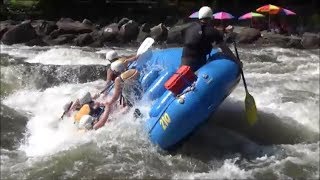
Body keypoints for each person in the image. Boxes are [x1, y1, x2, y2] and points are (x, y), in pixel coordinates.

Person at [181, 6, 238, 72]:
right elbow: (225, 48)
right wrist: (237, 61)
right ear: (211, 18)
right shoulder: (212, 31)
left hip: (183, 63)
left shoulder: (189, 28)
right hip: (198, 65)